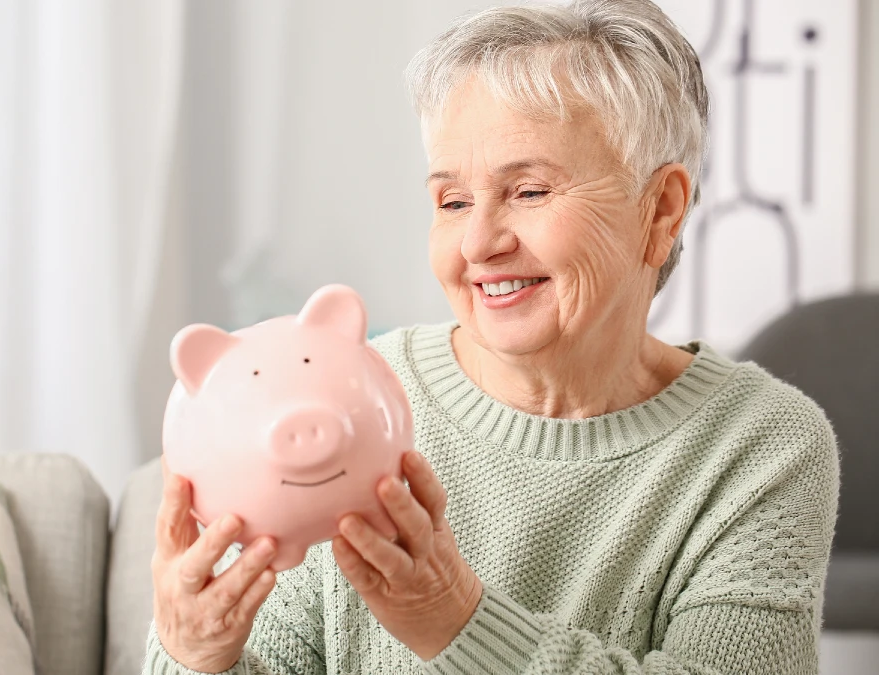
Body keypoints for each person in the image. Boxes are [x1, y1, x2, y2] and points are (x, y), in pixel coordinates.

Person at [144, 0, 839, 672]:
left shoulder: (762, 445)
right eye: (452, 201)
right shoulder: (356, 402)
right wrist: (193, 655)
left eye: (529, 191)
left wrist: (455, 621)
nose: (478, 242)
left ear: (659, 210)